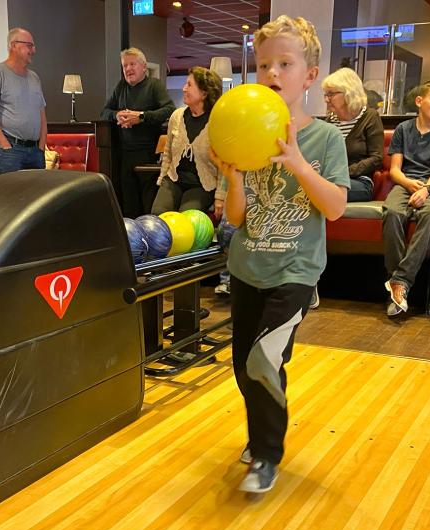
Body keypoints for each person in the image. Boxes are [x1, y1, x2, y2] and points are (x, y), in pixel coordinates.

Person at [212, 15, 349, 494]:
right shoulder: (248, 135)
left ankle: (266, 456)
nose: (272, 73)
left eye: (284, 63)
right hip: (248, 267)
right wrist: (233, 178)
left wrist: (296, 162)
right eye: (264, 64)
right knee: (243, 365)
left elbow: (334, 207)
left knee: (265, 361)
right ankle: (259, 437)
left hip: (296, 271)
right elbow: (237, 219)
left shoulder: (326, 138)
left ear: (309, 75)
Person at [382, 81, 430, 317]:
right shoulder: (403, 129)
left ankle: (400, 281)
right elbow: (394, 170)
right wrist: (409, 184)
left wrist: (426, 190)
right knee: (392, 213)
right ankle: (398, 284)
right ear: (419, 101)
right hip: (405, 182)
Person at [100, 48, 175, 218]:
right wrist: (116, 114)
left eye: (132, 64)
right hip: (123, 154)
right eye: (125, 65)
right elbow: (104, 112)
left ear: (143, 66)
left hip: (148, 154)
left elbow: (170, 109)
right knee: (128, 204)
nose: (128, 69)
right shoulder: (121, 87)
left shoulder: (154, 85)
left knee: (147, 203)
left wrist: (141, 117)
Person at [152, 67, 225, 217]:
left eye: (189, 85)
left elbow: (224, 164)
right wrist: (162, 179)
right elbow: (168, 153)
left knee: (186, 219)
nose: (184, 88)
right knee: (158, 215)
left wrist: (220, 196)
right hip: (174, 179)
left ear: (204, 93)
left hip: (202, 185)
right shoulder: (176, 116)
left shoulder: (217, 122)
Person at [0, 28, 47, 175]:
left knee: (37, 196)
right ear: (13, 45)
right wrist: (6, 147)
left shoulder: (34, 78)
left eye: (33, 46)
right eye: (29, 45)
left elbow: (42, 117)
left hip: (36, 151)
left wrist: (41, 147)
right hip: (11, 151)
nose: (33, 50)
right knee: (10, 196)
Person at [322, 67, 383, 202]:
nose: (326, 99)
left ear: (349, 93)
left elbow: (376, 158)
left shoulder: (370, 117)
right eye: (325, 94)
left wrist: (343, 173)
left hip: (360, 182)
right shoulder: (329, 122)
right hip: (331, 180)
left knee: (322, 191)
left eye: (331, 94)